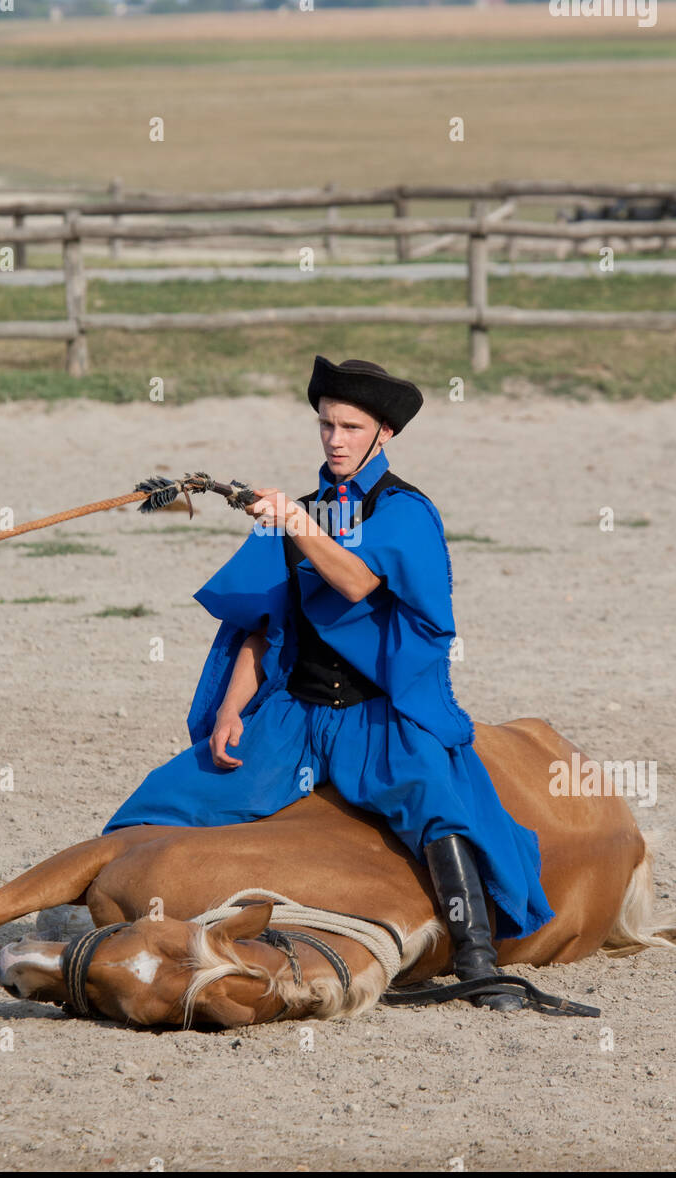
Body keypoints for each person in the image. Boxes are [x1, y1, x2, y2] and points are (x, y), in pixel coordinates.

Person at [102, 355, 556, 1010]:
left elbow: (355, 580)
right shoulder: (302, 511)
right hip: (294, 715)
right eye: (325, 425)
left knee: (435, 800)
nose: (335, 439)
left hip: (379, 714)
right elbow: (261, 626)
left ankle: (474, 955)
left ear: (384, 434)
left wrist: (293, 522)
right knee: (169, 794)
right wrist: (233, 708)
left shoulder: (405, 511)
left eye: (349, 426)